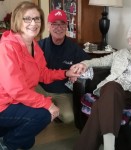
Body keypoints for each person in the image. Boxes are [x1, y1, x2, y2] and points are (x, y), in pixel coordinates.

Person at [0, 1, 80, 150]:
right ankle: (5, 145)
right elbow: (16, 90)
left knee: (27, 141)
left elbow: (43, 73)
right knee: (43, 115)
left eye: (37, 19)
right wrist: (47, 104)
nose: (33, 23)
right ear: (18, 20)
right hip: (3, 105)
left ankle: (7, 134)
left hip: (16, 102)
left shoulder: (34, 45)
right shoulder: (7, 47)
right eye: (28, 18)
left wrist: (65, 73)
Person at [71, 21, 131, 150]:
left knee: (99, 105)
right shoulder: (120, 54)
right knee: (112, 86)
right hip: (111, 89)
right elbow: (100, 61)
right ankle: (109, 146)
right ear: (129, 40)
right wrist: (84, 64)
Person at [37, 9, 90, 123]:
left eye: (62, 24)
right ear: (48, 26)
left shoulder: (74, 48)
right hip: (41, 89)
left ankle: (54, 110)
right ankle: (46, 108)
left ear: (67, 27)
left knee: (69, 117)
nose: (58, 28)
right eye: (54, 24)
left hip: (62, 92)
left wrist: (79, 71)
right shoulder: (39, 46)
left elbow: (88, 63)